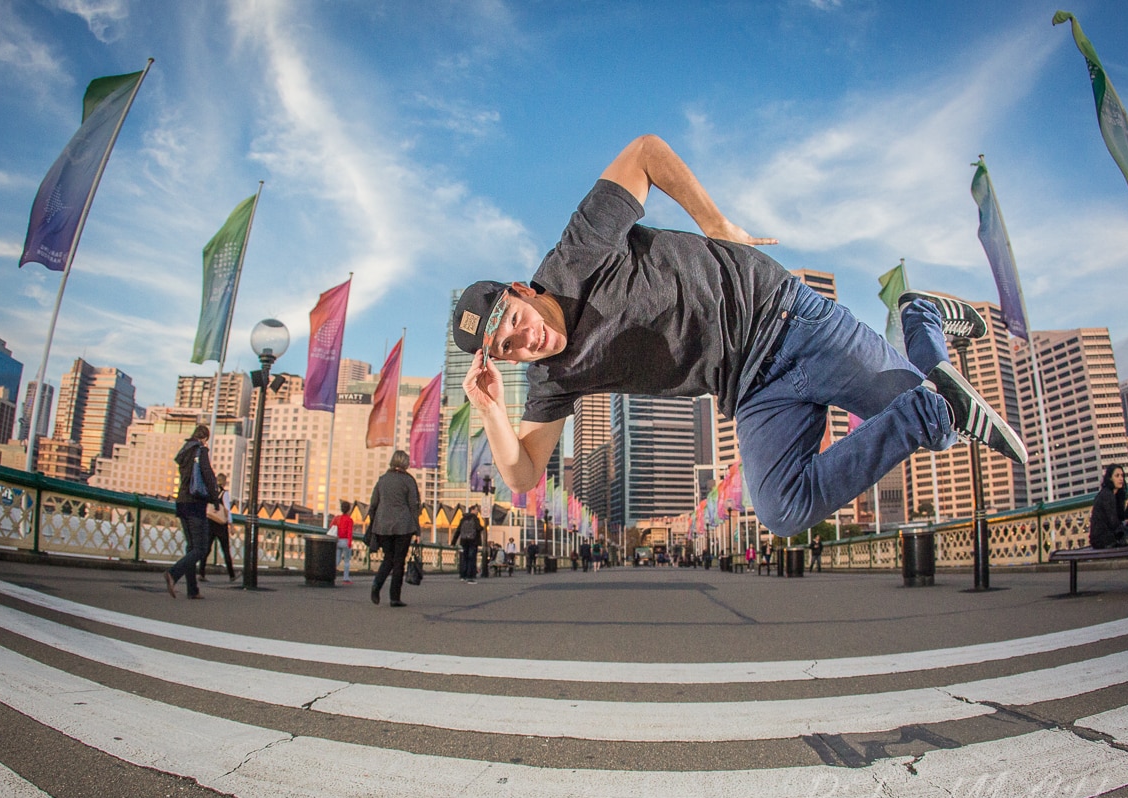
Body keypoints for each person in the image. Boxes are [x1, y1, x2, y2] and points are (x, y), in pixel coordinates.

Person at [455, 134, 1026, 540]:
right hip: (750, 388)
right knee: (783, 509)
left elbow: (645, 152)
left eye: (514, 320)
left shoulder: (577, 252)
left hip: (787, 320)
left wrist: (714, 223)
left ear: (520, 290)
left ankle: (921, 316)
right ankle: (927, 392)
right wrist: (490, 410)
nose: (524, 340)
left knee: (943, 432)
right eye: (506, 348)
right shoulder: (552, 379)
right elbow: (523, 474)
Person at [165, 425, 220, 600]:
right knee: (201, 548)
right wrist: (215, 499)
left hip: (181, 502)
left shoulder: (185, 451)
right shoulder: (200, 451)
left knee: (191, 547)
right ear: (204, 438)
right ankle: (173, 574)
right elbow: (207, 474)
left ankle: (192, 590)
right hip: (195, 503)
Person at [367, 450, 421, 607]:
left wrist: (374, 523)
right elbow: (414, 506)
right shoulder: (408, 480)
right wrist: (417, 530)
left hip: (383, 526)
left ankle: (377, 584)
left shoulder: (382, 479)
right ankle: (394, 597)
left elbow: (373, 504)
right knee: (399, 562)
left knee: (388, 558)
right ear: (405, 463)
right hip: (403, 526)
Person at [1088, 463, 1128, 590]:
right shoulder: (1106, 495)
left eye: (1122, 476)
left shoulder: (1116, 495)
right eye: (1117, 476)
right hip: (1102, 539)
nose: (1120, 479)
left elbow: (1123, 516)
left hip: (1111, 535)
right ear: (1109, 478)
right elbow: (1114, 523)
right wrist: (1126, 528)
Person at [202, 472, 235, 583]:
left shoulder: (210, 492)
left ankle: (201, 572)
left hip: (210, 522)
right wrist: (231, 524)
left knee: (207, 548)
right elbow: (227, 510)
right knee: (225, 550)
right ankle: (231, 574)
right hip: (221, 525)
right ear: (224, 482)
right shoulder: (224, 493)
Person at [451, 505, 483, 583]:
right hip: (473, 541)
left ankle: (463, 575)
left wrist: (453, 542)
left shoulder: (463, 519)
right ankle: (470, 576)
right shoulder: (475, 518)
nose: (477, 512)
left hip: (464, 541)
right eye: (476, 510)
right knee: (471, 559)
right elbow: (478, 528)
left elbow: (458, 530)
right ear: (472, 510)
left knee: (464, 559)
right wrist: (483, 527)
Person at [332, 503, 355, 584]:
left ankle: (330, 574)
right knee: (346, 561)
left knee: (337, 559)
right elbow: (349, 532)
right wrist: (349, 542)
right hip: (345, 541)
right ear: (349, 510)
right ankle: (346, 578)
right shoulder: (349, 520)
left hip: (337, 540)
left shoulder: (337, 518)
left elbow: (331, 527)